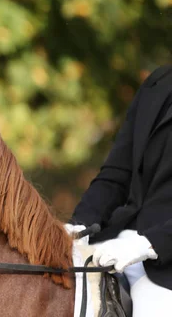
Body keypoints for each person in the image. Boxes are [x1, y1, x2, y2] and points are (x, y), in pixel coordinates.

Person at [66, 65, 172, 316]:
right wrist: (77, 225)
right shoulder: (158, 82)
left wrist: (148, 245)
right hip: (117, 242)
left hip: (164, 265)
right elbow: (117, 173)